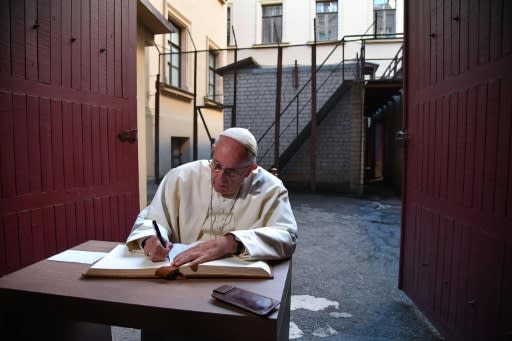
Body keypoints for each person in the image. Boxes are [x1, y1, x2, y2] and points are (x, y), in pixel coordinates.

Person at [126, 127, 298, 271]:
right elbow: (151, 220)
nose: (220, 178)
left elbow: (287, 237)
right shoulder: (180, 177)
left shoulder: (271, 188)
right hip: (181, 270)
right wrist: (150, 238)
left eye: (231, 172)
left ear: (249, 170)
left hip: (235, 278)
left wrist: (232, 242)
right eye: (217, 166)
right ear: (214, 151)